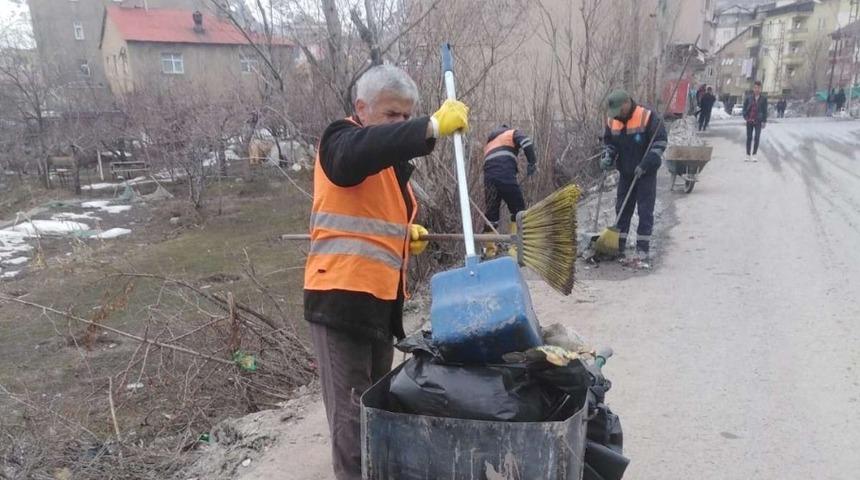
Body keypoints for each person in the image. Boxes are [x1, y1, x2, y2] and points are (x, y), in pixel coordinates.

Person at [304, 64, 469, 480]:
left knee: (377, 412)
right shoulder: (339, 140)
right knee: (353, 419)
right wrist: (429, 126)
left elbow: (366, 214)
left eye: (407, 115)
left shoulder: (389, 166)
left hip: (378, 305)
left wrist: (402, 234)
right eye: (392, 114)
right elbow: (355, 157)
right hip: (339, 300)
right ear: (362, 108)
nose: (401, 122)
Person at [601, 90, 667, 270]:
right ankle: (619, 247)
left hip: (645, 172)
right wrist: (608, 156)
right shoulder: (613, 120)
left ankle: (642, 250)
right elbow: (610, 142)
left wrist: (646, 163)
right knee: (622, 209)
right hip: (626, 172)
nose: (616, 115)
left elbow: (660, 142)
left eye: (619, 111)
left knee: (645, 211)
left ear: (626, 103)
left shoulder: (647, 117)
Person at [481, 124, 537, 257]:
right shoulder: (512, 133)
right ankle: (515, 248)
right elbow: (526, 142)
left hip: (489, 179)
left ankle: (490, 251)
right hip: (505, 175)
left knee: (491, 216)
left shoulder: (489, 145)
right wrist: (532, 162)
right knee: (518, 210)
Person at [742, 80, 767, 162]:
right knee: (749, 137)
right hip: (749, 120)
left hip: (758, 121)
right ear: (753, 88)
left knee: (757, 137)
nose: (757, 89)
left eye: (758, 88)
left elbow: (765, 111)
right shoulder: (748, 98)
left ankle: (754, 154)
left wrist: (764, 121)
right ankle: (747, 154)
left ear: (761, 89)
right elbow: (744, 108)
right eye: (755, 88)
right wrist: (745, 117)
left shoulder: (763, 99)